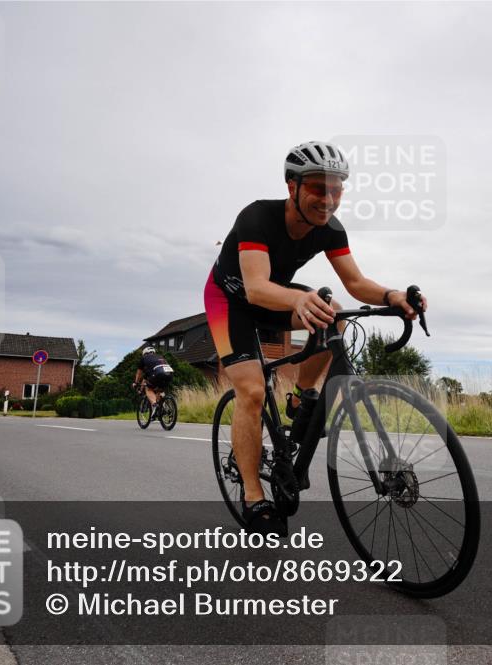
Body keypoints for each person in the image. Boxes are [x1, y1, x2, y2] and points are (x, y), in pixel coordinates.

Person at [204, 140, 426, 535]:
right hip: (232, 300)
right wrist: (299, 298)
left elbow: (356, 283)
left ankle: (301, 400)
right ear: (293, 187)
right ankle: (254, 498)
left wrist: (394, 296)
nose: (328, 199)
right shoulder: (257, 217)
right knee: (253, 393)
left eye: (337, 189)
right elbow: (255, 288)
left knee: (335, 314)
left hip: (276, 295)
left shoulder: (330, 230)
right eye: (318, 189)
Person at [133, 346, 174, 414]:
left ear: (145, 354)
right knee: (159, 390)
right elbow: (146, 378)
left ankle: (155, 405)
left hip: (158, 373)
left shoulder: (144, 358)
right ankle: (160, 409)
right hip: (170, 373)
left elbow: (139, 373)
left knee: (148, 388)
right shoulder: (159, 356)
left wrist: (136, 383)